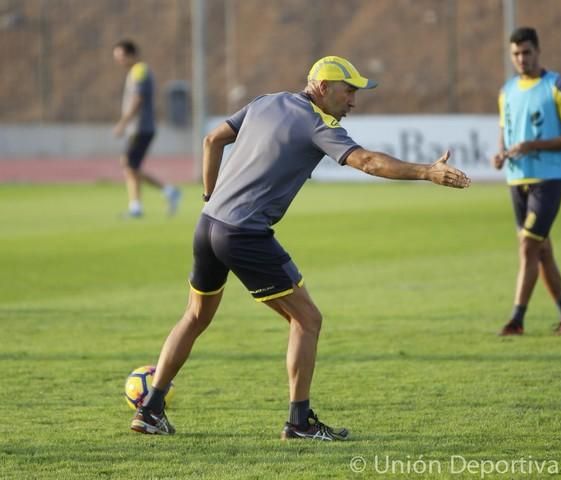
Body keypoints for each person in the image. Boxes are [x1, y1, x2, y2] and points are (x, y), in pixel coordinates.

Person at [129, 55, 472, 440]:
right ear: (323, 88)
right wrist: (427, 171)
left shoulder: (265, 101)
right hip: (244, 233)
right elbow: (369, 162)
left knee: (195, 317)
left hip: (208, 224)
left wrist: (211, 195)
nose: (353, 101)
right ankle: (299, 422)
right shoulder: (316, 123)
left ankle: (151, 409)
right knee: (307, 319)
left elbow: (213, 140)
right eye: (349, 91)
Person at [491, 27, 561, 336]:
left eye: (527, 52)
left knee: (528, 246)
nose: (521, 59)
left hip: (549, 178)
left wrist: (533, 145)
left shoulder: (558, 87)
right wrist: (501, 154)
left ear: (538, 51)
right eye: (516, 54)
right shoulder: (506, 91)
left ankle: (516, 319)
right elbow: (506, 131)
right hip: (516, 179)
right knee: (542, 252)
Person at [113, 39, 181, 217]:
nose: (119, 61)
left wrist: (123, 122)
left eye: (121, 57)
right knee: (130, 166)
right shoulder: (135, 71)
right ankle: (149, 200)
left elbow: (138, 98)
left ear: (132, 54)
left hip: (141, 127)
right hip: (138, 128)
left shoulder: (139, 71)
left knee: (129, 164)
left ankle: (145, 202)